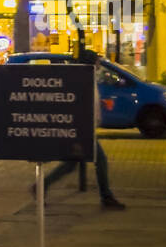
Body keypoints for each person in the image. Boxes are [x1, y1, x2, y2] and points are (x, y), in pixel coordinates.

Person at [38, 49, 125, 210]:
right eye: (97, 61)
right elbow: (81, 107)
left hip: (85, 129)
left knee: (71, 164)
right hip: (83, 131)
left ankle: (42, 186)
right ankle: (106, 197)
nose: (99, 64)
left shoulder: (89, 79)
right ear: (91, 63)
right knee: (100, 161)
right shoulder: (84, 81)